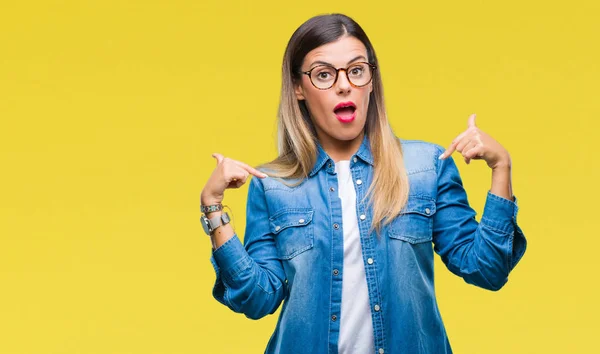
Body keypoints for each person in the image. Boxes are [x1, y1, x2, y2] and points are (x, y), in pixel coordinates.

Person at [199, 13, 527, 354]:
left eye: (356, 70)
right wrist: (213, 207)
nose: (344, 85)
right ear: (298, 87)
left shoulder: (425, 167)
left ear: (371, 79)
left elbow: (486, 269)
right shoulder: (273, 185)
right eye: (323, 74)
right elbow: (256, 299)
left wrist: (501, 167)